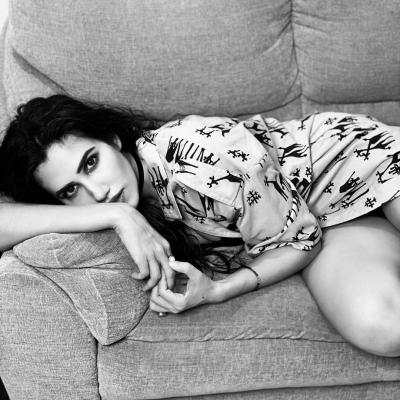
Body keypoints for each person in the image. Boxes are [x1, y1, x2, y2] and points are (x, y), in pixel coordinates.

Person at [1, 94, 400, 356]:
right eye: (71, 190)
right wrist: (115, 215)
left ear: (112, 139)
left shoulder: (199, 157)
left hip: (363, 162)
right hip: (324, 216)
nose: (97, 190)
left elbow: (300, 241)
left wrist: (220, 290)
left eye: (91, 162)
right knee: (385, 329)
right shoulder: (117, 205)